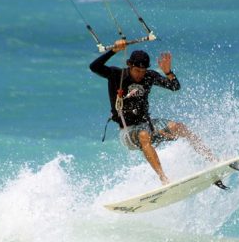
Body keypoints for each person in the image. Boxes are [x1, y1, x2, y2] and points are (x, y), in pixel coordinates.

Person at [89, 39, 218, 185]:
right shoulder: (116, 75)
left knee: (179, 127)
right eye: (137, 70)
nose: (140, 75)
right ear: (129, 65)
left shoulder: (149, 76)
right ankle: (164, 179)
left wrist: (168, 72)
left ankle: (214, 160)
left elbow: (175, 86)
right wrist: (113, 50)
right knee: (143, 135)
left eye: (143, 71)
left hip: (149, 126)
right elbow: (94, 67)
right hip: (128, 133)